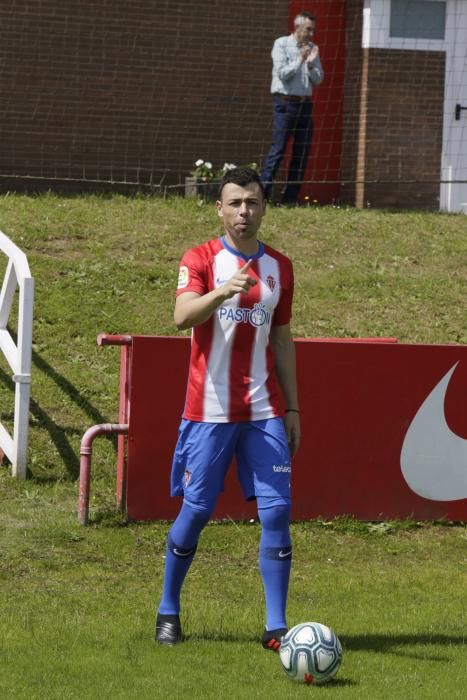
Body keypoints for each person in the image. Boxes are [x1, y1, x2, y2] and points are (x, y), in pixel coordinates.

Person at [155, 166, 300, 651]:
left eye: (253, 202)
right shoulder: (199, 259)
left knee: (278, 511)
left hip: (265, 411)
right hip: (209, 410)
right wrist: (221, 291)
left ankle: (276, 628)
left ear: (264, 208)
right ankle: (168, 611)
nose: (244, 211)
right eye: (235, 203)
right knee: (196, 512)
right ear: (219, 209)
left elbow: (281, 339)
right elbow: (180, 317)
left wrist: (293, 410)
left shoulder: (281, 267)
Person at [261, 11, 324, 205]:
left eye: (313, 30)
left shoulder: (313, 48)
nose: (311, 34)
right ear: (297, 28)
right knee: (278, 149)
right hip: (285, 103)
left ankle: (290, 198)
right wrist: (300, 59)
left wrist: (312, 63)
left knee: (302, 151)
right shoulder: (281, 44)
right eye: (308, 29)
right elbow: (282, 74)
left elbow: (319, 79)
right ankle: (262, 196)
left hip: (305, 105)